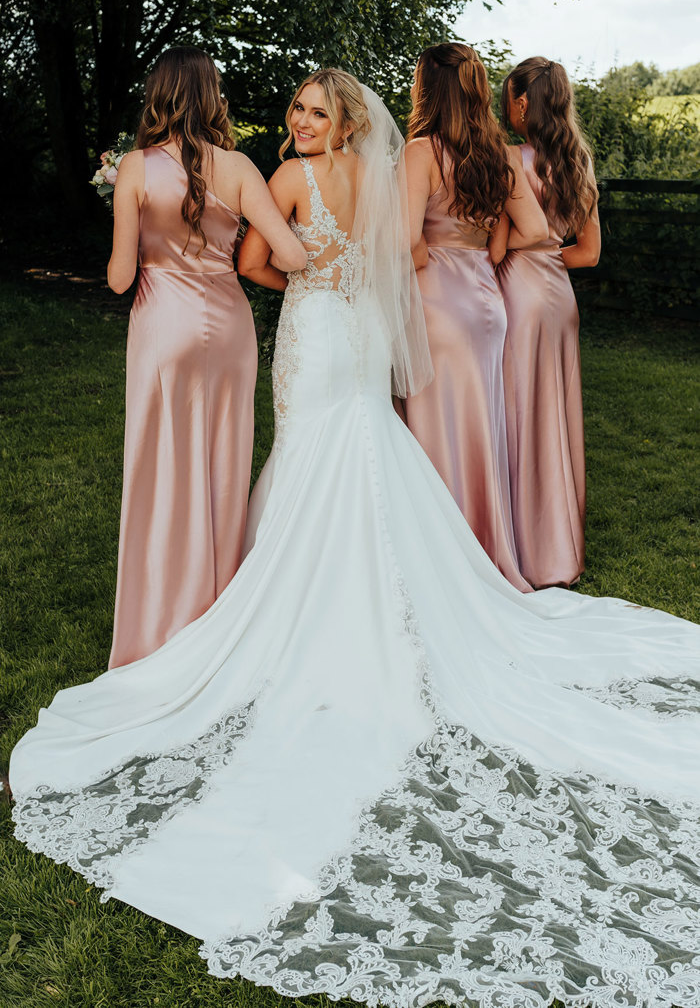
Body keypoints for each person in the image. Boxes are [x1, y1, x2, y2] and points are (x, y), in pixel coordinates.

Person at [10, 71, 700, 1008]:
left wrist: (298, 271)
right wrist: (340, 272)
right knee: (364, 445)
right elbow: (398, 255)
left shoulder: (289, 179)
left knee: (308, 451)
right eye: (296, 111)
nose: (299, 123)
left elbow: (265, 264)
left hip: (315, 330)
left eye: (311, 112)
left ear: (336, 122)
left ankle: (303, 603)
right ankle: (389, 588)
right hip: (362, 331)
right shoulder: (375, 176)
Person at [106, 45, 306, 668]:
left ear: (159, 96)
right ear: (212, 97)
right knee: (224, 462)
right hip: (229, 329)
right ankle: (219, 610)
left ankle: (162, 612)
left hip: (164, 326)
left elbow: (118, 279)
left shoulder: (134, 168)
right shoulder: (241, 166)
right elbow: (293, 258)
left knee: (161, 463)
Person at [402, 43, 548, 591]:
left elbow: (406, 240)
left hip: (437, 298)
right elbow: (533, 230)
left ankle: (442, 560)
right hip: (486, 303)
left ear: (427, 89)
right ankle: (485, 550)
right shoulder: (498, 151)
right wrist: (487, 247)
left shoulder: (421, 151)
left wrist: (431, 263)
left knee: (435, 428)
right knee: (478, 424)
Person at [496, 56, 601, 588]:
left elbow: (500, 239)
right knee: (554, 414)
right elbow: (589, 254)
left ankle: (522, 543)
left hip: (521, 292)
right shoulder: (578, 160)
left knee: (518, 412)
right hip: (561, 301)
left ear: (520, 104)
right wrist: (550, 254)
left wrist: (521, 251)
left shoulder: (512, 158)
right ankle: (559, 542)